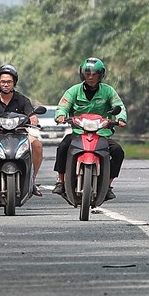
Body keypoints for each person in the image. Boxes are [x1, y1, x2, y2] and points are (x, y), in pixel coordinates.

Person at [52, 57, 127, 201]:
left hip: (101, 134)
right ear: (82, 74)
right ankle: (61, 181)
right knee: (63, 147)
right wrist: (61, 116)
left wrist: (121, 119)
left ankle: (108, 185)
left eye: (95, 74)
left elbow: (120, 106)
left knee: (118, 151)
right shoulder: (73, 91)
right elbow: (63, 106)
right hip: (78, 133)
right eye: (88, 73)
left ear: (101, 75)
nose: (91, 77)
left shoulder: (108, 91)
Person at [0, 64, 44, 197]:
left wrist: (34, 119)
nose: (5, 84)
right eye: (3, 82)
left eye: (9, 82)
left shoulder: (23, 100)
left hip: (20, 134)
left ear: (14, 83)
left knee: (37, 145)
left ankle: (32, 180)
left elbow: (32, 115)